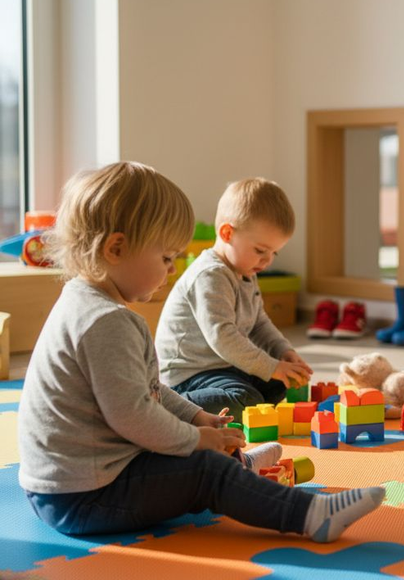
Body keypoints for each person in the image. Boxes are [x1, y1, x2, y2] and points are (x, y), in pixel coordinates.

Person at [19, 162, 384, 541]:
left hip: (74, 483)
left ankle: (237, 467)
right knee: (206, 474)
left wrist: (196, 418)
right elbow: (133, 415)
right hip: (83, 496)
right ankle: (310, 515)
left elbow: (150, 393)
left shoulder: (87, 302)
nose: (172, 270)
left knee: (202, 445)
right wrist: (196, 440)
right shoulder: (106, 322)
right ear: (116, 248)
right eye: (165, 259)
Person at [157, 178, 313, 420]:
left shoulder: (246, 271)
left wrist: (282, 352)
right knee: (246, 398)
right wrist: (271, 366)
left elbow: (259, 323)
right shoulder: (210, 275)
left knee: (281, 383)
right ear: (227, 233)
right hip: (189, 375)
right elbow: (223, 337)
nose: (267, 261)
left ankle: (247, 395)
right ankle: (165, 406)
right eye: (261, 250)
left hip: (225, 367)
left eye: (274, 252)